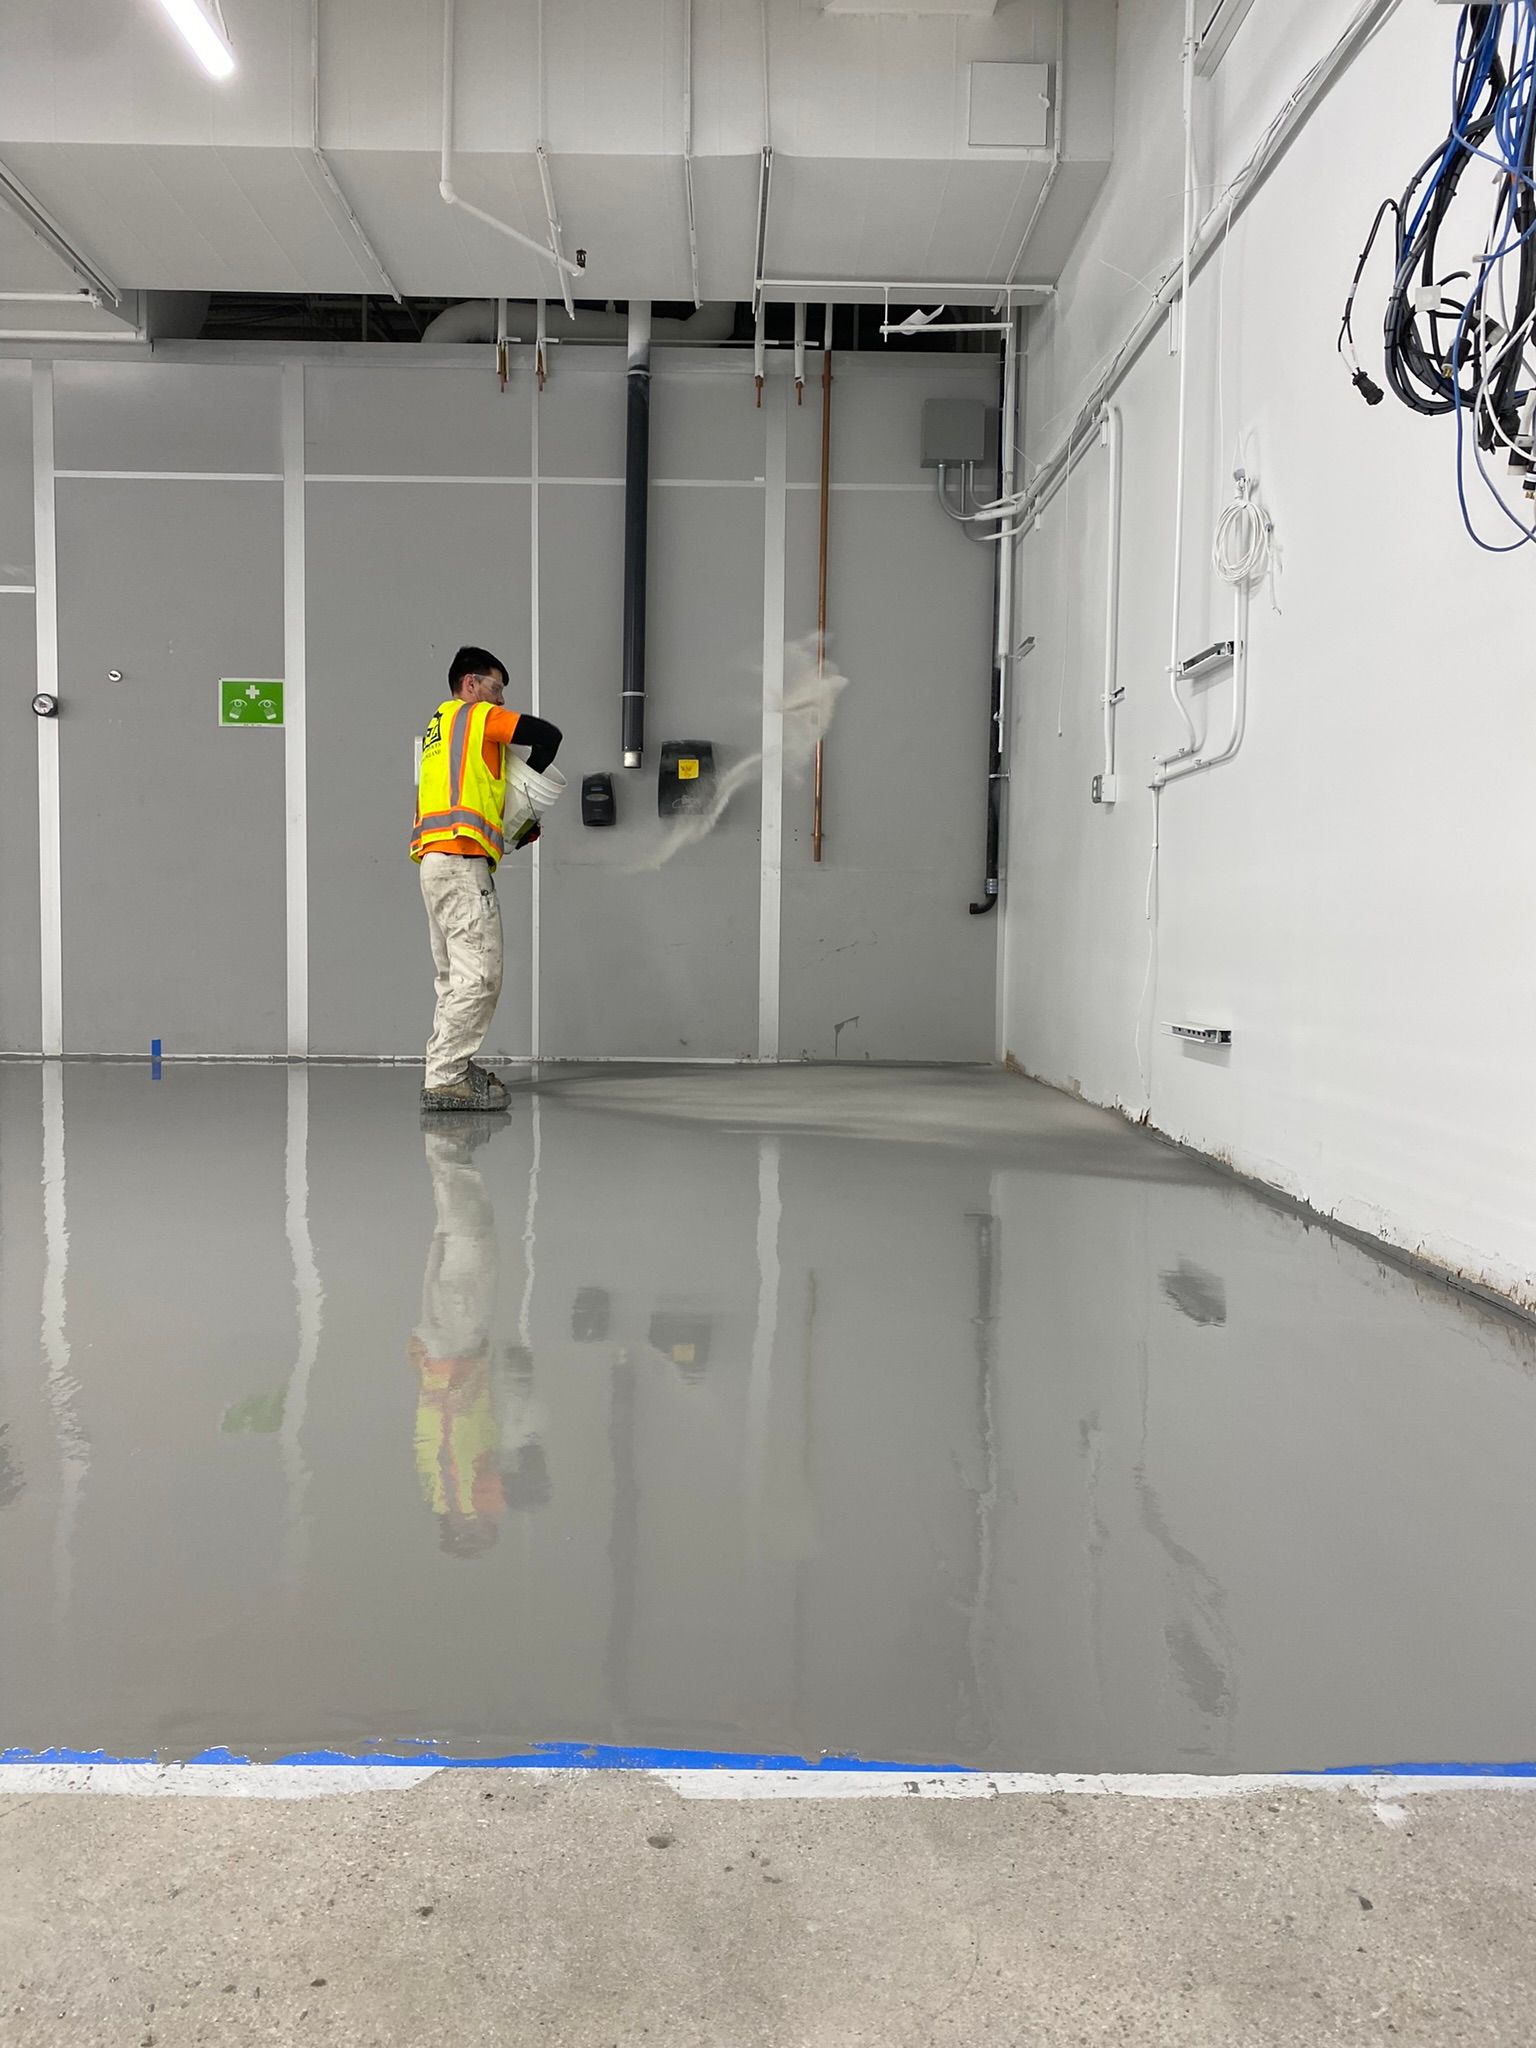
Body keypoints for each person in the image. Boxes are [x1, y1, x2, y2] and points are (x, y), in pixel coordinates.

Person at [411, 646, 563, 1112]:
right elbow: (548, 736)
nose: (501, 700)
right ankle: (446, 1080)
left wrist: (509, 821)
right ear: (471, 684)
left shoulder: (440, 727)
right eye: (496, 689)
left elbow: (471, 790)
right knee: (479, 978)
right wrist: (527, 790)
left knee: (453, 978)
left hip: (436, 863)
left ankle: (448, 1066)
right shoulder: (476, 716)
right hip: (461, 866)